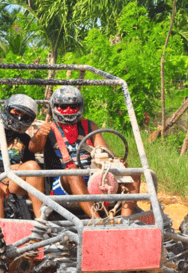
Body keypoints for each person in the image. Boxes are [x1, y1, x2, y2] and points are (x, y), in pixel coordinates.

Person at [29, 85, 140, 218]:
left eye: (73, 107)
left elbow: (104, 152)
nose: (68, 111)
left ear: (79, 107)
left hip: (93, 177)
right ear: (55, 108)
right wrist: (40, 135)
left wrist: (115, 162)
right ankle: (96, 220)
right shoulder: (49, 128)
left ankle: (125, 220)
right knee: (73, 173)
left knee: (134, 174)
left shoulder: (89, 125)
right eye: (63, 107)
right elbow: (33, 148)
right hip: (62, 184)